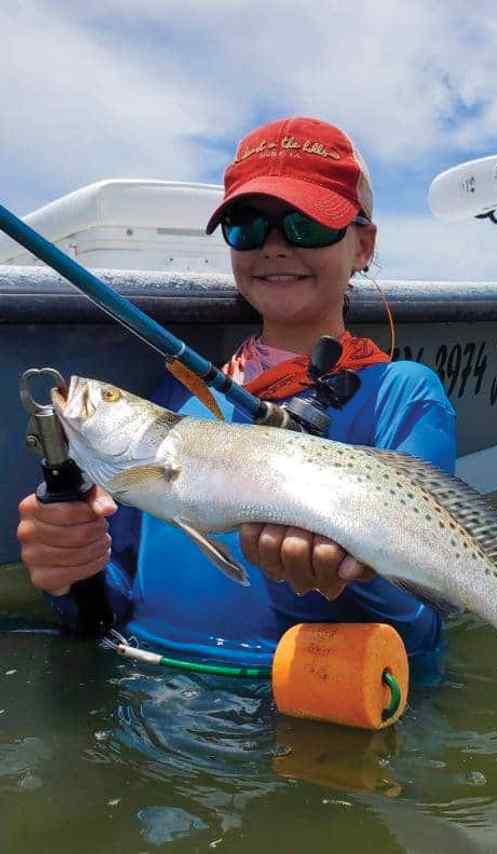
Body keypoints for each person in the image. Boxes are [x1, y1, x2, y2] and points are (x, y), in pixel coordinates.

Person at [16, 116, 456, 671]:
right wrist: (70, 570)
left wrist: (343, 579)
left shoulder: (403, 395)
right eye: (247, 225)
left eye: (306, 224)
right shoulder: (173, 400)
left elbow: (425, 629)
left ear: (362, 245)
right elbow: (113, 604)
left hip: (300, 722)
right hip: (152, 706)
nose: (274, 247)